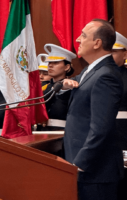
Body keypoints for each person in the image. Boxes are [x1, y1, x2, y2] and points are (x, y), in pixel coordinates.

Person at [62, 19, 123, 200]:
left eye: (83, 35)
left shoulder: (106, 76)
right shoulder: (91, 70)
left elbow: (100, 129)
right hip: (86, 169)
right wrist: (64, 86)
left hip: (95, 171)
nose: (78, 39)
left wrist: (79, 164)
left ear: (97, 43)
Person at [39, 44, 76, 131]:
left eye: (55, 62)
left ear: (67, 67)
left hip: (62, 131)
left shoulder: (72, 86)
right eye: (49, 63)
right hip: (41, 132)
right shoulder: (45, 87)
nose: (50, 65)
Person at [111, 31, 127, 200]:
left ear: (125, 53)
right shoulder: (97, 74)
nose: (111, 55)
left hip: (124, 133)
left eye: (115, 51)